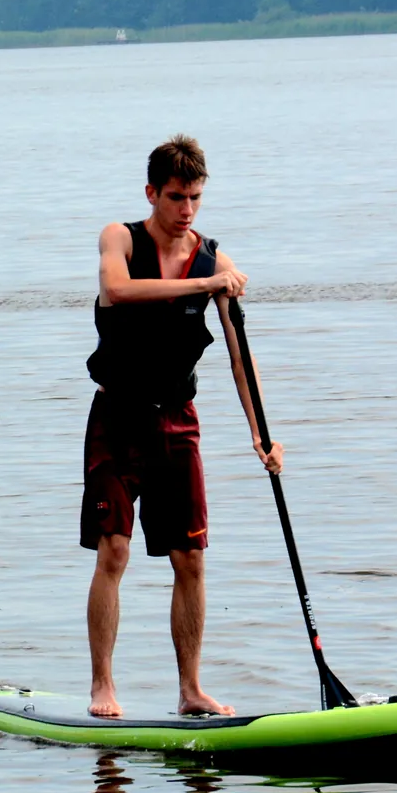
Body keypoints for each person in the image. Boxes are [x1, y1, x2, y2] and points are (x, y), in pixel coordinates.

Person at [82, 136, 280, 718]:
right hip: (117, 418)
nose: (186, 210)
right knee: (113, 551)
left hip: (178, 421)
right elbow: (116, 291)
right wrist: (208, 283)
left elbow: (240, 357)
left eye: (195, 197)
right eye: (175, 197)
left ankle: (191, 691)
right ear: (152, 193)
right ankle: (103, 686)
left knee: (190, 558)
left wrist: (262, 434)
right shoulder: (120, 237)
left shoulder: (212, 259)